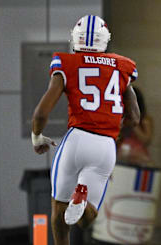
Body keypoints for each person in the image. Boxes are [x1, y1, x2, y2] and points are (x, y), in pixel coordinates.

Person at [30, 14, 140, 245]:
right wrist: (115, 136)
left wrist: (37, 136)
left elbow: (41, 113)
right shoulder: (122, 66)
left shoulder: (66, 62)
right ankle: (81, 202)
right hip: (105, 147)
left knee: (59, 210)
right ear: (105, 40)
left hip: (76, 141)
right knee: (86, 219)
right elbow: (134, 117)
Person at [117, 87, 154, 166]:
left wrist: (134, 122)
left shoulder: (145, 120)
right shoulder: (121, 118)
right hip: (121, 154)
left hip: (138, 156)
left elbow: (146, 140)